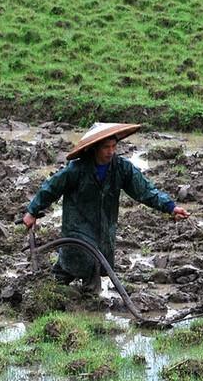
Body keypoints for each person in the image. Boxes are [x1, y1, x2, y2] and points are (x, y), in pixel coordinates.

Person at [23, 122, 189, 287]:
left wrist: (170, 207)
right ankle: (55, 293)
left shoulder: (121, 168)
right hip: (78, 224)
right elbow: (51, 188)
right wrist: (32, 211)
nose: (111, 152)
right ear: (95, 148)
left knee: (95, 262)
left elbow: (145, 191)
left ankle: (86, 300)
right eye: (105, 147)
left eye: (113, 146)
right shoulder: (77, 169)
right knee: (77, 259)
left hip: (104, 225)